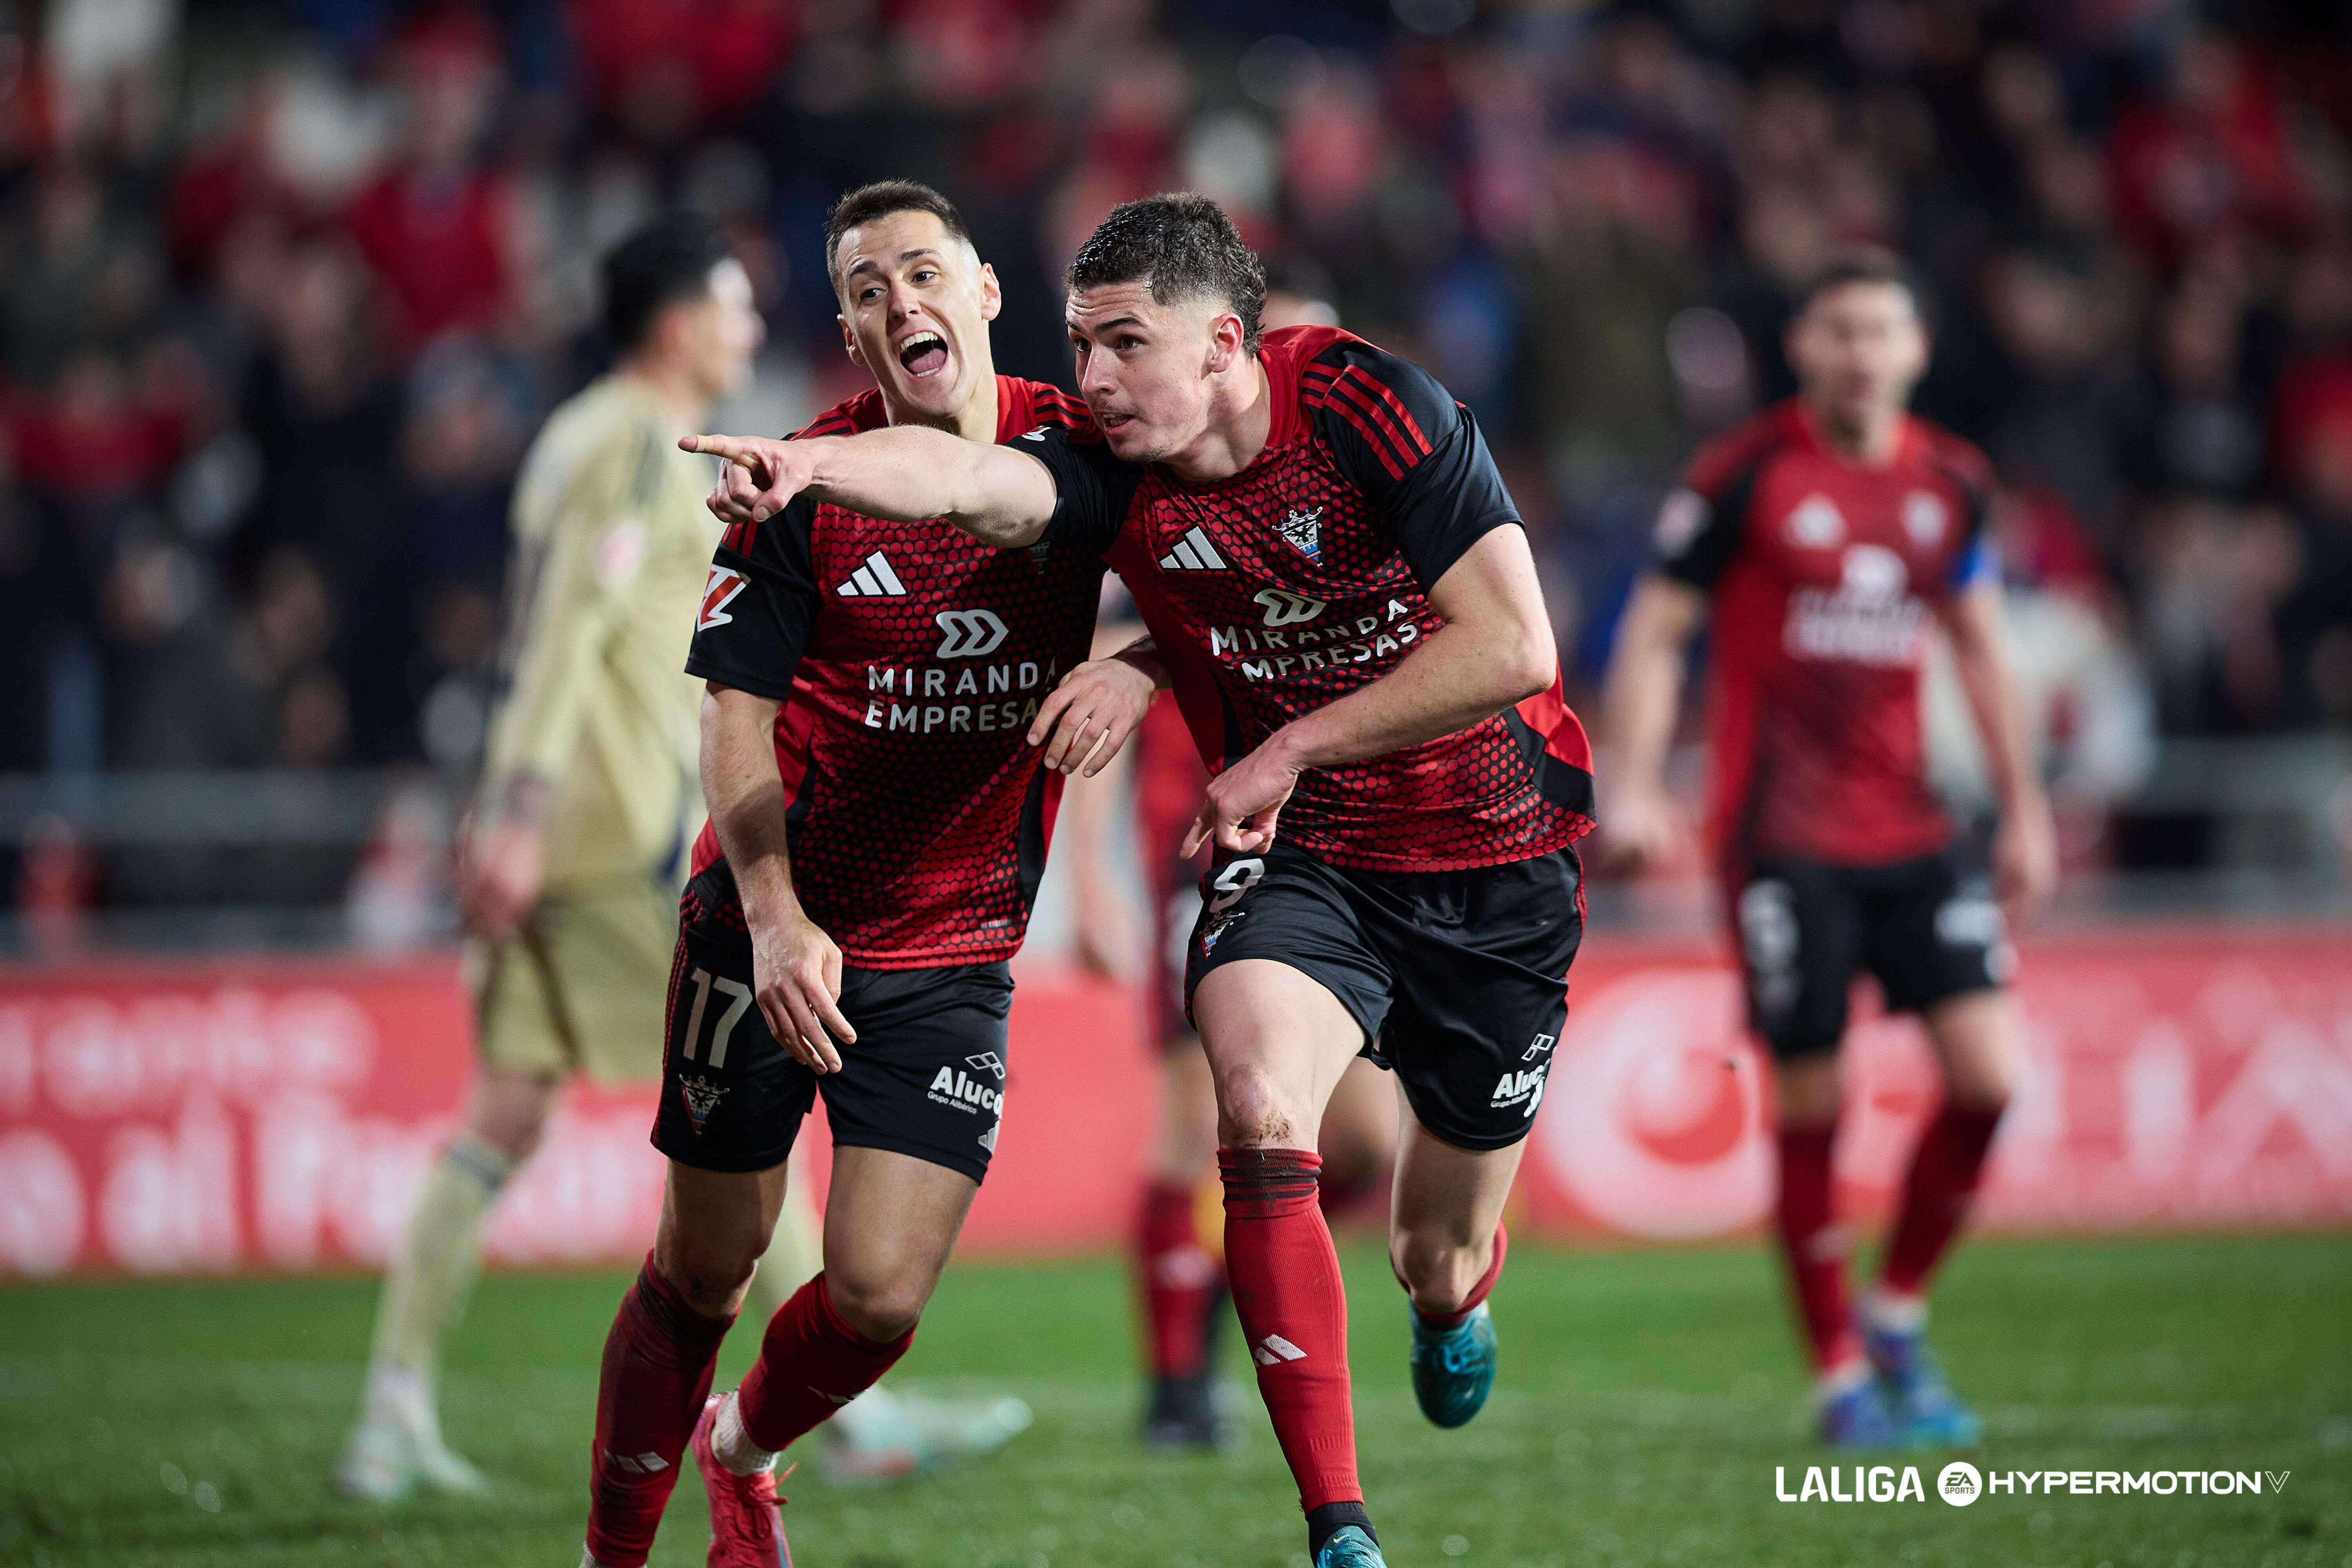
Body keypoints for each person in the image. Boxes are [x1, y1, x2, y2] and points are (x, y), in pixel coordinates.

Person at [691, 192, 1596, 1568]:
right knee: (1247, 1103)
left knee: (1437, 1250)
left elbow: (1514, 644)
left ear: (1227, 343)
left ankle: (1450, 1297)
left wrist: (1265, 732)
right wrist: (815, 473)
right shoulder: (1115, 466)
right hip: (1300, 858)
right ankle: (1337, 1525)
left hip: (1494, 851)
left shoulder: (1371, 407)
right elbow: (973, 484)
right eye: (1080, 345)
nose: (1093, 381)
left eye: (1123, 346)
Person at [576, 181, 1132, 1568]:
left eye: (924, 273)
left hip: (953, 937)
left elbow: (1218, 575)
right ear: (850, 331)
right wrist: (771, 922)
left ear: (988, 292)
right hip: (769, 930)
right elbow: (733, 716)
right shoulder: (796, 482)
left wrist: (1140, 664)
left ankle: (743, 1451)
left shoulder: (1092, 452)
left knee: (878, 1297)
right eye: (870, 292)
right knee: (703, 1269)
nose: (903, 305)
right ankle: (610, 1557)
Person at [1601, 249, 2058, 1446]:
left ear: (1915, 350)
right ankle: (1841, 1375)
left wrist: (2027, 809)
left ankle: (1897, 1309)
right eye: (1838, 331)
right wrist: (1639, 783)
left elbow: (1981, 645)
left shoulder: (1952, 485)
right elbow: (1656, 632)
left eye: (1881, 332)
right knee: (1816, 1099)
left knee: (1990, 1077)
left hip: (1912, 824)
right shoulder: (1744, 476)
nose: (1860, 353)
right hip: (1782, 839)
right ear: (1803, 348)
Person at [1062, 256, 1399, 1452]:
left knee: (1367, 1146)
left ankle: (1218, 1303)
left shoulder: (1367, 502)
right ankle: (1172, 1387)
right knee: (1188, 1120)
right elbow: (1111, 685)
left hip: (1351, 857)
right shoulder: (1173, 507)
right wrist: (1094, 873)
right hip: (1202, 855)